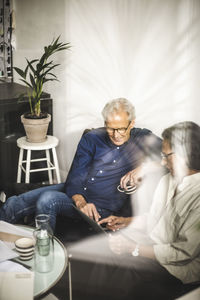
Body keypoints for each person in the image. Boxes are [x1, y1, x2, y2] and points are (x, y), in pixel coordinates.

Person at [0, 98, 161, 231]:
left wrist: (144, 168)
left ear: (131, 124)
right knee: (17, 202)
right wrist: (80, 201)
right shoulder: (92, 138)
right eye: (110, 129)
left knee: (47, 199)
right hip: (76, 191)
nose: (116, 135)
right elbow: (76, 175)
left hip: (101, 205)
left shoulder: (142, 137)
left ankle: (45, 252)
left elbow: (178, 154)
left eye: (121, 129)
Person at [85, 121, 200, 299]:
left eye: (166, 155)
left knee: (126, 269)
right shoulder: (168, 181)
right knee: (106, 252)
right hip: (152, 245)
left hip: (178, 268)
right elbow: (155, 219)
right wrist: (125, 221)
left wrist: (134, 248)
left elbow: (183, 253)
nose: (162, 161)